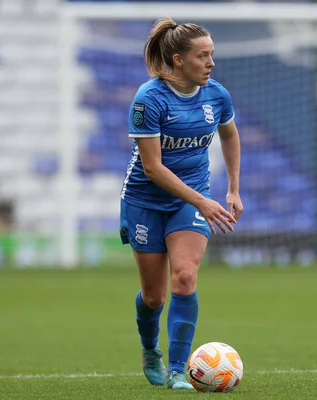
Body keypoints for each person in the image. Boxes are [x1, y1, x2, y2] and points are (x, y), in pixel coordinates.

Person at [119, 18, 243, 390]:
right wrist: (204, 202)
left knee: (186, 276)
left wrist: (233, 189)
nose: (211, 63)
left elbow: (230, 135)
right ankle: (149, 348)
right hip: (145, 200)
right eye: (202, 56)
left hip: (190, 199)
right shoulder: (148, 100)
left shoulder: (217, 95)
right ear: (177, 59)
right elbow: (153, 168)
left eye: (212, 55)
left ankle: (178, 369)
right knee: (155, 296)